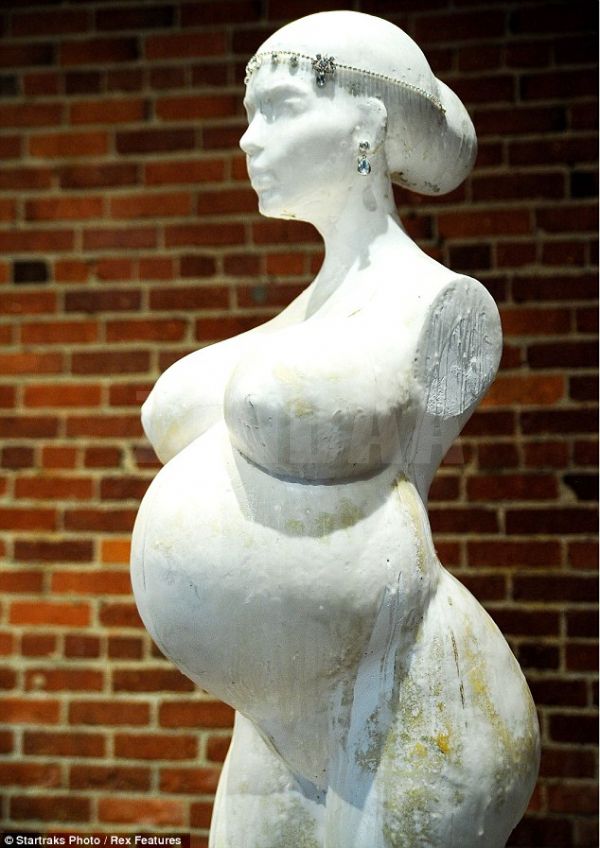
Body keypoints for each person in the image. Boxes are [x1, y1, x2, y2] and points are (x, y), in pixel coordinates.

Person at [131, 11, 539, 847]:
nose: (249, 139)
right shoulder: (318, 305)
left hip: (405, 701)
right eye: (249, 115)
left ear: (367, 123)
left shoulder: (445, 307)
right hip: (282, 723)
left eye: (279, 110)